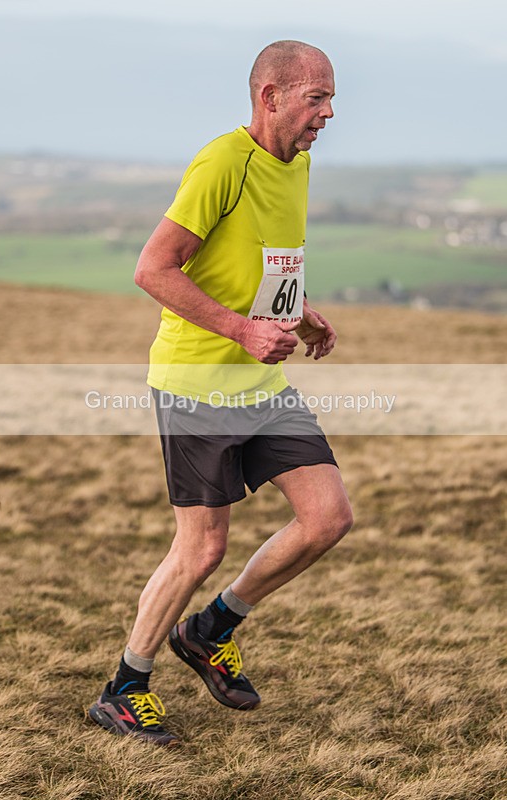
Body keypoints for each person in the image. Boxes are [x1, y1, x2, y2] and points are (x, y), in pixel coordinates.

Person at [89, 39, 353, 745]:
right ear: (270, 97)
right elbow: (153, 269)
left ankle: (211, 628)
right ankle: (124, 688)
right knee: (201, 547)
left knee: (327, 517)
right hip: (198, 383)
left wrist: (298, 311)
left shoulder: (296, 164)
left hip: (260, 382)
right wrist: (241, 330)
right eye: (317, 97)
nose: (329, 113)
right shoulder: (221, 163)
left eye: (331, 98)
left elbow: (258, 261)